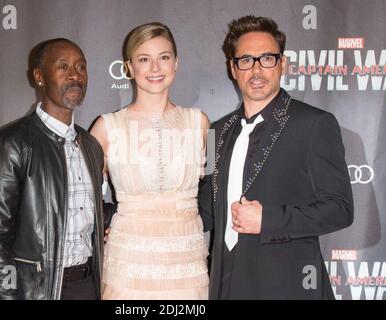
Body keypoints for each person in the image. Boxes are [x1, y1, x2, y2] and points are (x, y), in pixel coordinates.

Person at [198, 15, 354, 299]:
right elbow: (205, 208)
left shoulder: (315, 124)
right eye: (245, 60)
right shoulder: (213, 132)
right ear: (233, 69)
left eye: (267, 58)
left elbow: (340, 209)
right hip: (223, 283)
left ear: (283, 64)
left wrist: (268, 219)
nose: (256, 70)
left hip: (287, 286)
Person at [0, 38, 108, 300]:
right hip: (35, 292)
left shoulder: (92, 147)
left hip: (88, 287)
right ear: (39, 76)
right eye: (63, 67)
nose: (75, 75)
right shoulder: (10, 146)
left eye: (81, 67)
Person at [91, 22, 210, 299]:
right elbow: (81, 195)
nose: (155, 68)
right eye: (144, 59)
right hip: (127, 265)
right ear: (130, 67)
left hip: (187, 267)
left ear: (176, 63)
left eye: (164, 57)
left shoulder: (203, 124)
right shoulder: (106, 127)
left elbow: (215, 185)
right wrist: (104, 222)